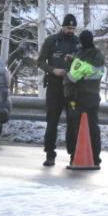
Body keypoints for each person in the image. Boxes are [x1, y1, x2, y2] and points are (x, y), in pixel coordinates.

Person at [37, 14, 79, 166]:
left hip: (72, 88)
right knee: (52, 121)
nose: (70, 30)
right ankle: (50, 154)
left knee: (73, 122)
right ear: (62, 26)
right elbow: (40, 61)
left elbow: (85, 62)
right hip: (54, 86)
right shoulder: (51, 41)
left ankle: (73, 154)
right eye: (68, 27)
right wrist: (53, 70)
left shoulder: (78, 43)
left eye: (73, 28)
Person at [64, 30, 105, 167]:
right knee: (93, 127)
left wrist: (72, 65)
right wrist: (74, 60)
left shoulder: (80, 57)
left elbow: (72, 78)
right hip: (93, 97)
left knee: (75, 127)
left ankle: (75, 156)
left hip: (78, 97)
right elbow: (92, 71)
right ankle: (95, 157)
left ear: (81, 41)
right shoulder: (98, 56)